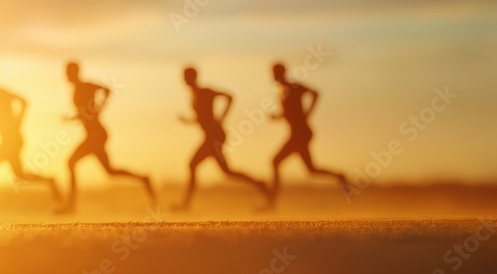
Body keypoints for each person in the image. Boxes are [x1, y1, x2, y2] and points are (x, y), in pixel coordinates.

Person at [59, 61, 155, 213]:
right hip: (94, 134)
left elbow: (107, 90)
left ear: (74, 72)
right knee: (110, 171)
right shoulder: (77, 89)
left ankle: (70, 206)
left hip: (96, 135)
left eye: (67, 72)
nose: (65, 75)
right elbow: (85, 113)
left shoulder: (85, 86)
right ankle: (144, 179)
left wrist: (100, 108)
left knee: (71, 163)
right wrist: (71, 119)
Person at [0, 66, 60, 215]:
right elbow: (0, 120)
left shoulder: (0, 92)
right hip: (9, 141)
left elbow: (24, 101)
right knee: (20, 176)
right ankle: (51, 182)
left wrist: (19, 121)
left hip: (12, 141)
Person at [174, 67, 268, 210]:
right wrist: (189, 121)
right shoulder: (194, 94)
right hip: (211, 136)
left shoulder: (205, 91)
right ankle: (260, 184)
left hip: (215, 136)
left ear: (192, 77)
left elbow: (230, 96)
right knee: (227, 172)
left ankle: (186, 205)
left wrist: (223, 116)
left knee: (193, 165)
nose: (184, 79)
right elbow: (202, 117)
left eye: (186, 76)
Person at [268, 63, 348, 204]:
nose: (272, 76)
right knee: (311, 170)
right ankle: (340, 176)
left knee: (275, 161)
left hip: (301, 133)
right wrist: (278, 117)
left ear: (280, 73)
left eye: (274, 73)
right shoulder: (283, 91)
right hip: (298, 133)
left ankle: (272, 202)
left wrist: (309, 113)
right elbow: (291, 113)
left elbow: (315, 93)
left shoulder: (294, 87)